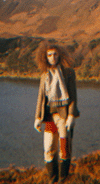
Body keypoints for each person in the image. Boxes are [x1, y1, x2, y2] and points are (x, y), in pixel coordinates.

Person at [34, 42, 80, 183]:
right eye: (49, 55)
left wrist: (71, 115)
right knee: (48, 148)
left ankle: (62, 180)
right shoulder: (44, 76)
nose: (52, 57)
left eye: (55, 54)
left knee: (64, 148)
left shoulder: (68, 73)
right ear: (45, 57)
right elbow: (41, 98)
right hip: (49, 117)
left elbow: (73, 96)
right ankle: (52, 180)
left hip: (64, 116)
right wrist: (37, 117)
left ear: (59, 55)